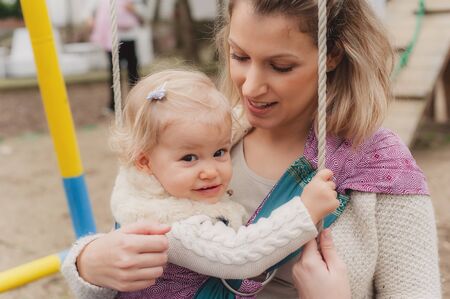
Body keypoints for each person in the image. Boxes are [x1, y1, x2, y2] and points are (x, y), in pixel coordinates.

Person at [62, 0, 441, 298]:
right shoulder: (198, 137)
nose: (251, 86)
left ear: (333, 55)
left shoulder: (377, 165)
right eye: (240, 56)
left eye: (280, 66)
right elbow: (136, 227)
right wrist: (90, 263)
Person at [62, 68, 339, 297]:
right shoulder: (171, 224)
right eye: (189, 158)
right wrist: (304, 211)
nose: (210, 171)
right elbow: (240, 255)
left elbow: (220, 125)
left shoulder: (143, 180)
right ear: (144, 161)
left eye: (219, 152)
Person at [88, 0, 147, 112]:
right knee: (114, 72)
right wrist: (92, 20)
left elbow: (144, 15)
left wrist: (134, 10)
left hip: (129, 37)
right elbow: (91, 11)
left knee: (133, 71)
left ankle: (136, 102)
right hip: (111, 40)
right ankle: (114, 104)